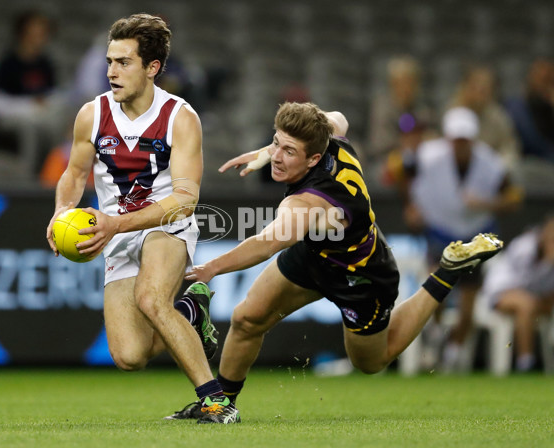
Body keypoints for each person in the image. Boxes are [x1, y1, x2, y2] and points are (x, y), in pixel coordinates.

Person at [165, 102, 503, 420]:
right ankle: (220, 406)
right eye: (276, 144)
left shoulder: (307, 203)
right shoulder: (331, 139)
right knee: (247, 319)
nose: (278, 157)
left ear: (313, 159)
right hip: (318, 255)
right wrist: (268, 152)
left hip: (361, 276)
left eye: (288, 152)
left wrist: (210, 268)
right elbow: (338, 117)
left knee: (372, 362)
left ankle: (445, 272)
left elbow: (266, 243)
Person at [45, 14, 239, 424]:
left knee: (151, 298)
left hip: (165, 223)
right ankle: (190, 312)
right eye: (110, 61)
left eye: (123, 62)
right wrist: (63, 210)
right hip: (114, 231)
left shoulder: (179, 117)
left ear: (152, 68)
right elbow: (75, 174)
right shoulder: (91, 115)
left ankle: (216, 402)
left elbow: (185, 199)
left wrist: (117, 223)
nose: (111, 72)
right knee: (129, 356)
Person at [406, 106, 523, 371]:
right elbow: (402, 173)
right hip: (439, 231)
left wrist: (486, 203)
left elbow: (514, 198)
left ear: (472, 139)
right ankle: (435, 335)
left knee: (468, 306)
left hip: (473, 236)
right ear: (447, 139)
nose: (460, 145)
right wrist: (412, 205)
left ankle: (453, 354)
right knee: (434, 287)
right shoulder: (428, 155)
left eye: (465, 140)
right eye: (455, 139)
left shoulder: (491, 163)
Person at [0, 10, 68, 176]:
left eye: (43, 33)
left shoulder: (45, 64)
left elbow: (52, 95)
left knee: (60, 122)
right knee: (31, 129)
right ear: (23, 33)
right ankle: (29, 177)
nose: (40, 37)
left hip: (41, 114)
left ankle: (55, 172)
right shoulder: (8, 63)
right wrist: (29, 106)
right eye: (35, 32)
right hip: (14, 115)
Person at [480, 216, 554, 372]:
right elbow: (523, 283)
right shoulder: (524, 246)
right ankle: (525, 363)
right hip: (501, 292)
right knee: (526, 303)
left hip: (534, 297)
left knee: (531, 302)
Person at [447, 65, 521, 172]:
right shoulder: (452, 112)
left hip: (490, 172)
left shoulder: (498, 116)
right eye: (475, 86)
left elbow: (509, 148)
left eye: (484, 88)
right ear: (465, 87)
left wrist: (500, 167)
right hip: (457, 169)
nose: (479, 92)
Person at [505, 58, 554, 164]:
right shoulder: (516, 107)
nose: (543, 85)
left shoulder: (550, 106)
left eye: (547, 80)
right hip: (527, 162)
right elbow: (529, 142)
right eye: (540, 78)